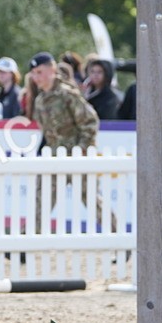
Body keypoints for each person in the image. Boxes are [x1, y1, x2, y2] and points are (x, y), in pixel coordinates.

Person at [25, 51, 109, 234]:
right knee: (42, 200)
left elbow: (90, 122)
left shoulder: (67, 94)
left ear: (52, 70)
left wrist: (83, 149)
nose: (36, 77)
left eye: (40, 72)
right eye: (33, 73)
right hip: (54, 159)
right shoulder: (40, 101)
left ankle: (121, 240)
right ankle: (26, 243)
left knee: (93, 202)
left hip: (78, 159)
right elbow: (47, 133)